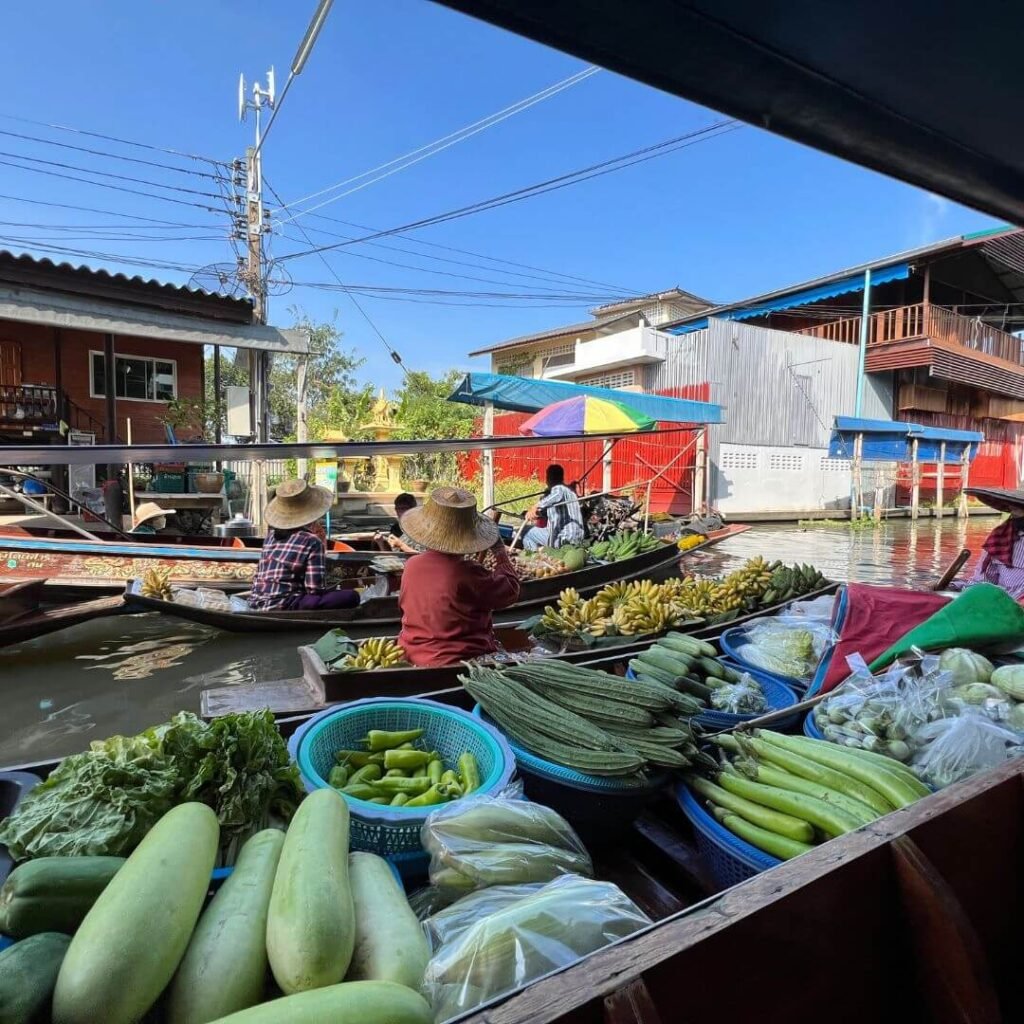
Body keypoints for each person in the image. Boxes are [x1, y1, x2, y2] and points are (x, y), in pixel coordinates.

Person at [398, 486, 521, 666]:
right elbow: (511, 590)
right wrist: (500, 552)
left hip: (411, 653)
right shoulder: (468, 572)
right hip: (457, 660)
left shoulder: (411, 565)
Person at [248, 479, 359, 611]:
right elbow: (314, 589)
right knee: (352, 596)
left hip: (256, 601)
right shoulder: (312, 541)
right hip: (285, 604)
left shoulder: (270, 537)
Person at [959, 488, 1024, 598]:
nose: (1014, 515)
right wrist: (954, 586)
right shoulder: (1000, 540)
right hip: (1004, 606)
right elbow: (982, 583)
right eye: (1014, 510)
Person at [522, 464, 585, 551]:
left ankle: (533, 557)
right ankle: (540, 552)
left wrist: (535, 506)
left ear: (549, 478)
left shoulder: (559, 489)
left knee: (526, 531)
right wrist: (536, 513)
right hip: (576, 539)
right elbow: (552, 510)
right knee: (542, 530)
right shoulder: (570, 492)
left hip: (564, 538)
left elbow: (556, 495)